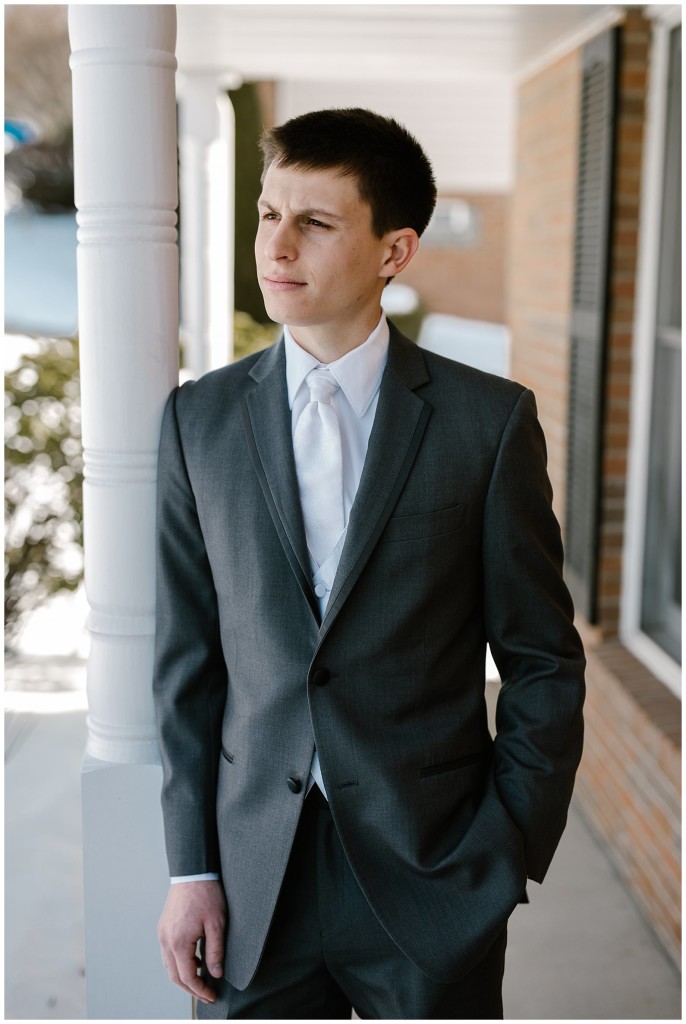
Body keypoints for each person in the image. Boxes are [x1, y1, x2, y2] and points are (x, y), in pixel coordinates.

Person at [153, 107, 585, 1020]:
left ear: (395, 252)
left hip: (429, 878)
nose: (278, 245)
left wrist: (503, 851)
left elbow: (543, 658)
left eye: (315, 222)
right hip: (251, 882)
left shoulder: (488, 423)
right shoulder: (200, 421)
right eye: (270, 214)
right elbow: (187, 663)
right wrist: (189, 865)